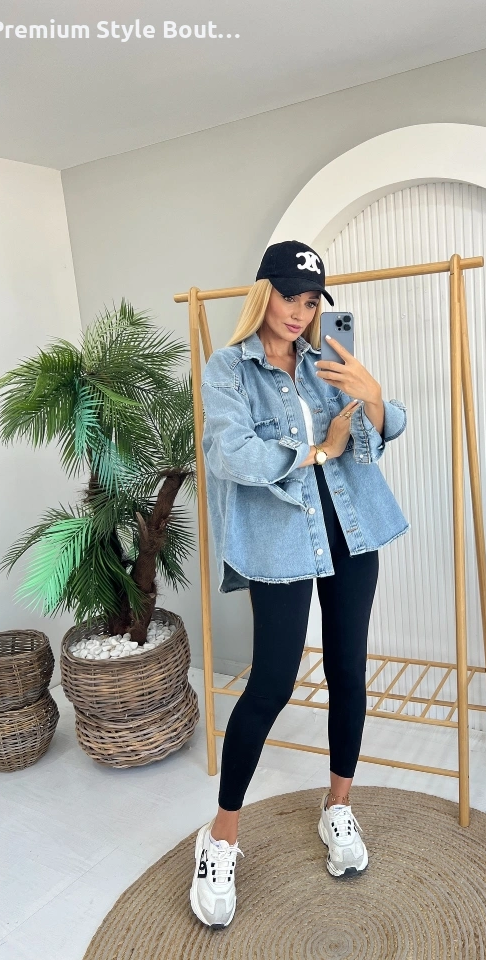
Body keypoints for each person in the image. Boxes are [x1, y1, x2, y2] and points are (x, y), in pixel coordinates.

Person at [190, 239, 410, 929]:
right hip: (281, 542)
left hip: (352, 533)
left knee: (348, 673)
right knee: (272, 684)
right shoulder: (229, 369)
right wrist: (318, 450)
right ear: (264, 294)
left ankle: (338, 806)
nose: (300, 312)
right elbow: (232, 454)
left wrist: (374, 400)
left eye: (311, 301)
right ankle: (221, 836)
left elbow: (372, 442)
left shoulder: (325, 363)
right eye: (290, 296)